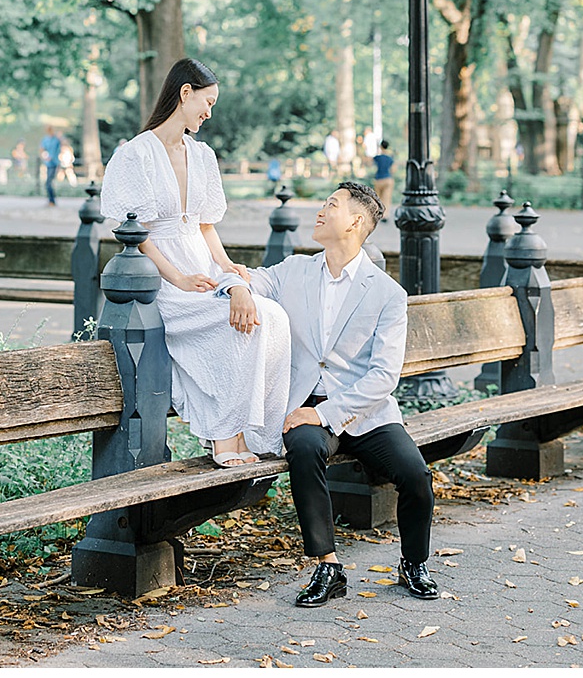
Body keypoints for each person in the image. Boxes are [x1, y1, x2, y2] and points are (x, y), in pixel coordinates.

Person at [222, 181, 438, 607]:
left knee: (416, 476)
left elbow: (383, 376)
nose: (320, 210)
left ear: (356, 222)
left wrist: (326, 415)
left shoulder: (387, 294)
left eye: (331, 205)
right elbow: (253, 278)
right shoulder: (295, 270)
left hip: (366, 409)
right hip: (304, 403)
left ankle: (414, 562)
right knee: (302, 449)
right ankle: (328, 566)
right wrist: (239, 289)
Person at [98, 59, 292, 467]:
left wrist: (227, 268)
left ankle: (248, 431)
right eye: (207, 102)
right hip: (163, 281)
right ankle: (224, 435)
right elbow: (138, 233)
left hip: (202, 271)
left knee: (271, 317)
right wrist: (179, 279)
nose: (209, 113)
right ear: (185, 93)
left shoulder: (202, 155)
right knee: (233, 324)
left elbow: (205, 228)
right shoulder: (137, 155)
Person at [371, 141, 396, 221]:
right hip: (388, 179)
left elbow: (370, 164)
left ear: (381, 147)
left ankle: (378, 213)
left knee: (378, 197)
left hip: (378, 179)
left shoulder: (377, 158)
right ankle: (385, 215)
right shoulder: (390, 158)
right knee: (387, 197)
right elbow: (393, 170)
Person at [41, 125, 62, 206]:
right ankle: (51, 200)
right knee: (48, 183)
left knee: (49, 182)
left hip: (54, 162)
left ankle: (52, 200)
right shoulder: (46, 139)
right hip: (49, 162)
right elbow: (42, 148)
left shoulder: (56, 139)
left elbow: (62, 144)